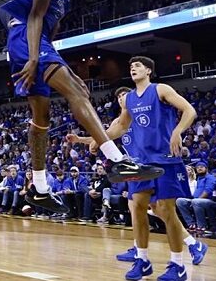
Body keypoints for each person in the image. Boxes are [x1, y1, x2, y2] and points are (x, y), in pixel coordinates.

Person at [1, 0, 163, 214]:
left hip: (34, 43)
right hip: (26, 39)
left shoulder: (63, 0)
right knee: (77, 94)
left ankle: (39, 188)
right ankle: (115, 159)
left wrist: (63, 66)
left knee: (41, 118)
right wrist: (33, 58)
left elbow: (48, 37)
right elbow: (34, 18)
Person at [69, 57, 207, 281]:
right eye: (131, 66)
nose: (133, 68)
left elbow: (189, 111)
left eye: (138, 66)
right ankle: (142, 260)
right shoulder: (129, 99)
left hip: (164, 159)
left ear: (149, 70)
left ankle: (178, 264)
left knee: (165, 209)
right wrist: (97, 139)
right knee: (137, 208)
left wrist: (177, 131)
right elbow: (121, 127)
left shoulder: (160, 89)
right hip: (139, 163)